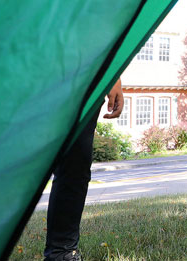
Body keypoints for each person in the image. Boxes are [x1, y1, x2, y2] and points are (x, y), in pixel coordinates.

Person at [44, 79, 124, 261]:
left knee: (75, 163)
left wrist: (114, 77)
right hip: (33, 70)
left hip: (84, 80)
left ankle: (62, 253)